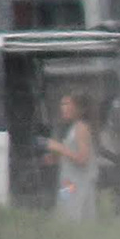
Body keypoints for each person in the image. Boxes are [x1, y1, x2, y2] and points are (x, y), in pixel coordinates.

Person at [45, 89, 101, 222]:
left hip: (78, 185)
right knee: (63, 211)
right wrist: (56, 157)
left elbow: (83, 159)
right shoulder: (73, 128)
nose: (62, 108)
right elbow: (72, 154)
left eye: (67, 104)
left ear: (78, 108)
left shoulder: (81, 128)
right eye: (62, 104)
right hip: (69, 183)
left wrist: (59, 147)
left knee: (73, 217)